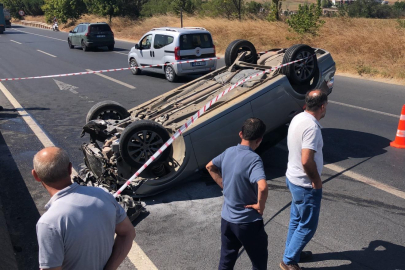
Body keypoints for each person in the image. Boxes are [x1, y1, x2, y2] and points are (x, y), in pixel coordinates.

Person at [32, 147, 135, 270]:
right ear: (70, 169)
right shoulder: (103, 195)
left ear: (36, 176)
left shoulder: (49, 223)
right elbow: (128, 233)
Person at [206, 118, 269, 270]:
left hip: (227, 220)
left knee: (226, 259)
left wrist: (224, 184)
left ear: (241, 134)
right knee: (259, 261)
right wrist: (260, 206)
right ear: (259, 140)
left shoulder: (229, 152)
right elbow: (262, 186)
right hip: (247, 222)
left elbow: (210, 166)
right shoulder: (254, 160)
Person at [280, 90, 328, 270]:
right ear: (322, 106)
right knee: (307, 225)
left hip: (292, 178)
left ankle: (293, 252)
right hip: (305, 184)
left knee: (296, 219)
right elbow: (306, 160)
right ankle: (289, 260)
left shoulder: (299, 117)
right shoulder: (312, 128)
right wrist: (316, 182)